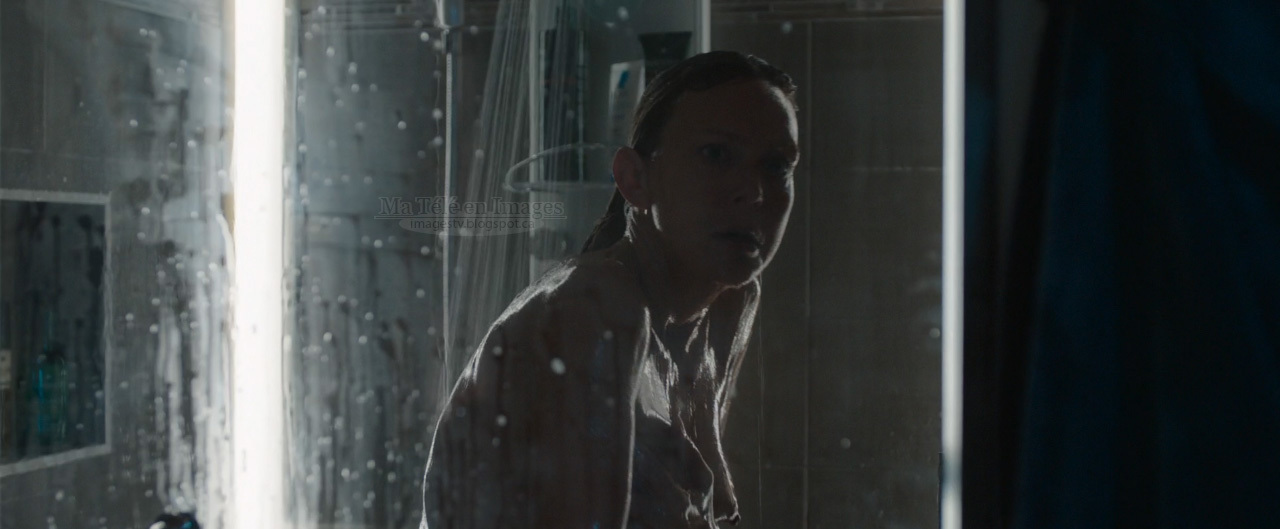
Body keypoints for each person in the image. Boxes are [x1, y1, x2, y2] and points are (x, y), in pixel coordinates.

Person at [421, 50, 799, 529]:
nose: (755, 191)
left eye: (776, 166)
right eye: (717, 155)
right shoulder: (595, 308)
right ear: (634, 179)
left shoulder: (730, 301)